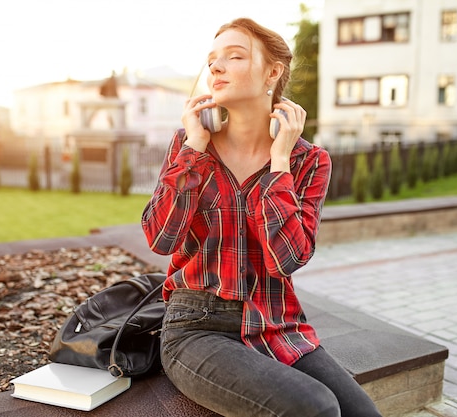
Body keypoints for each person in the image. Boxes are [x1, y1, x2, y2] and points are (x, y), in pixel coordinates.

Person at [141, 17, 382, 417]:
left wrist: (279, 164)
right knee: (314, 408)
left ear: (273, 72)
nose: (216, 67)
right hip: (197, 327)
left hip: (277, 323)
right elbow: (161, 238)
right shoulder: (189, 146)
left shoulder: (309, 161)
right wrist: (194, 152)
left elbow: (288, 258)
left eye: (234, 56)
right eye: (212, 60)